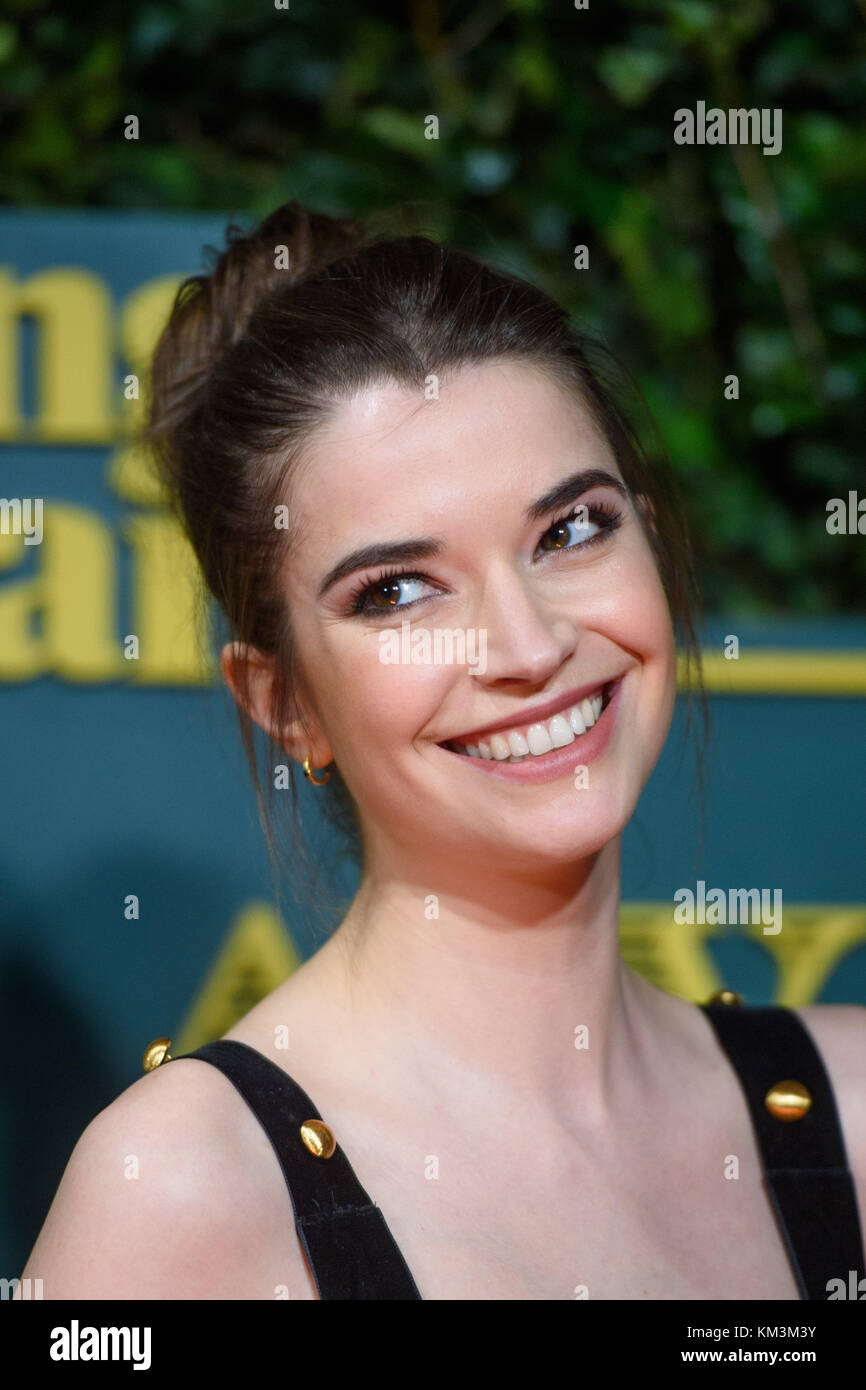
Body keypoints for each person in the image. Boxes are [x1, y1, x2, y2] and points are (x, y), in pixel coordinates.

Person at [19, 202, 865, 1301]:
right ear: (283, 704)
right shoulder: (185, 1193)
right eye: (397, 591)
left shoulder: (847, 1109)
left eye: (568, 531)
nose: (526, 645)